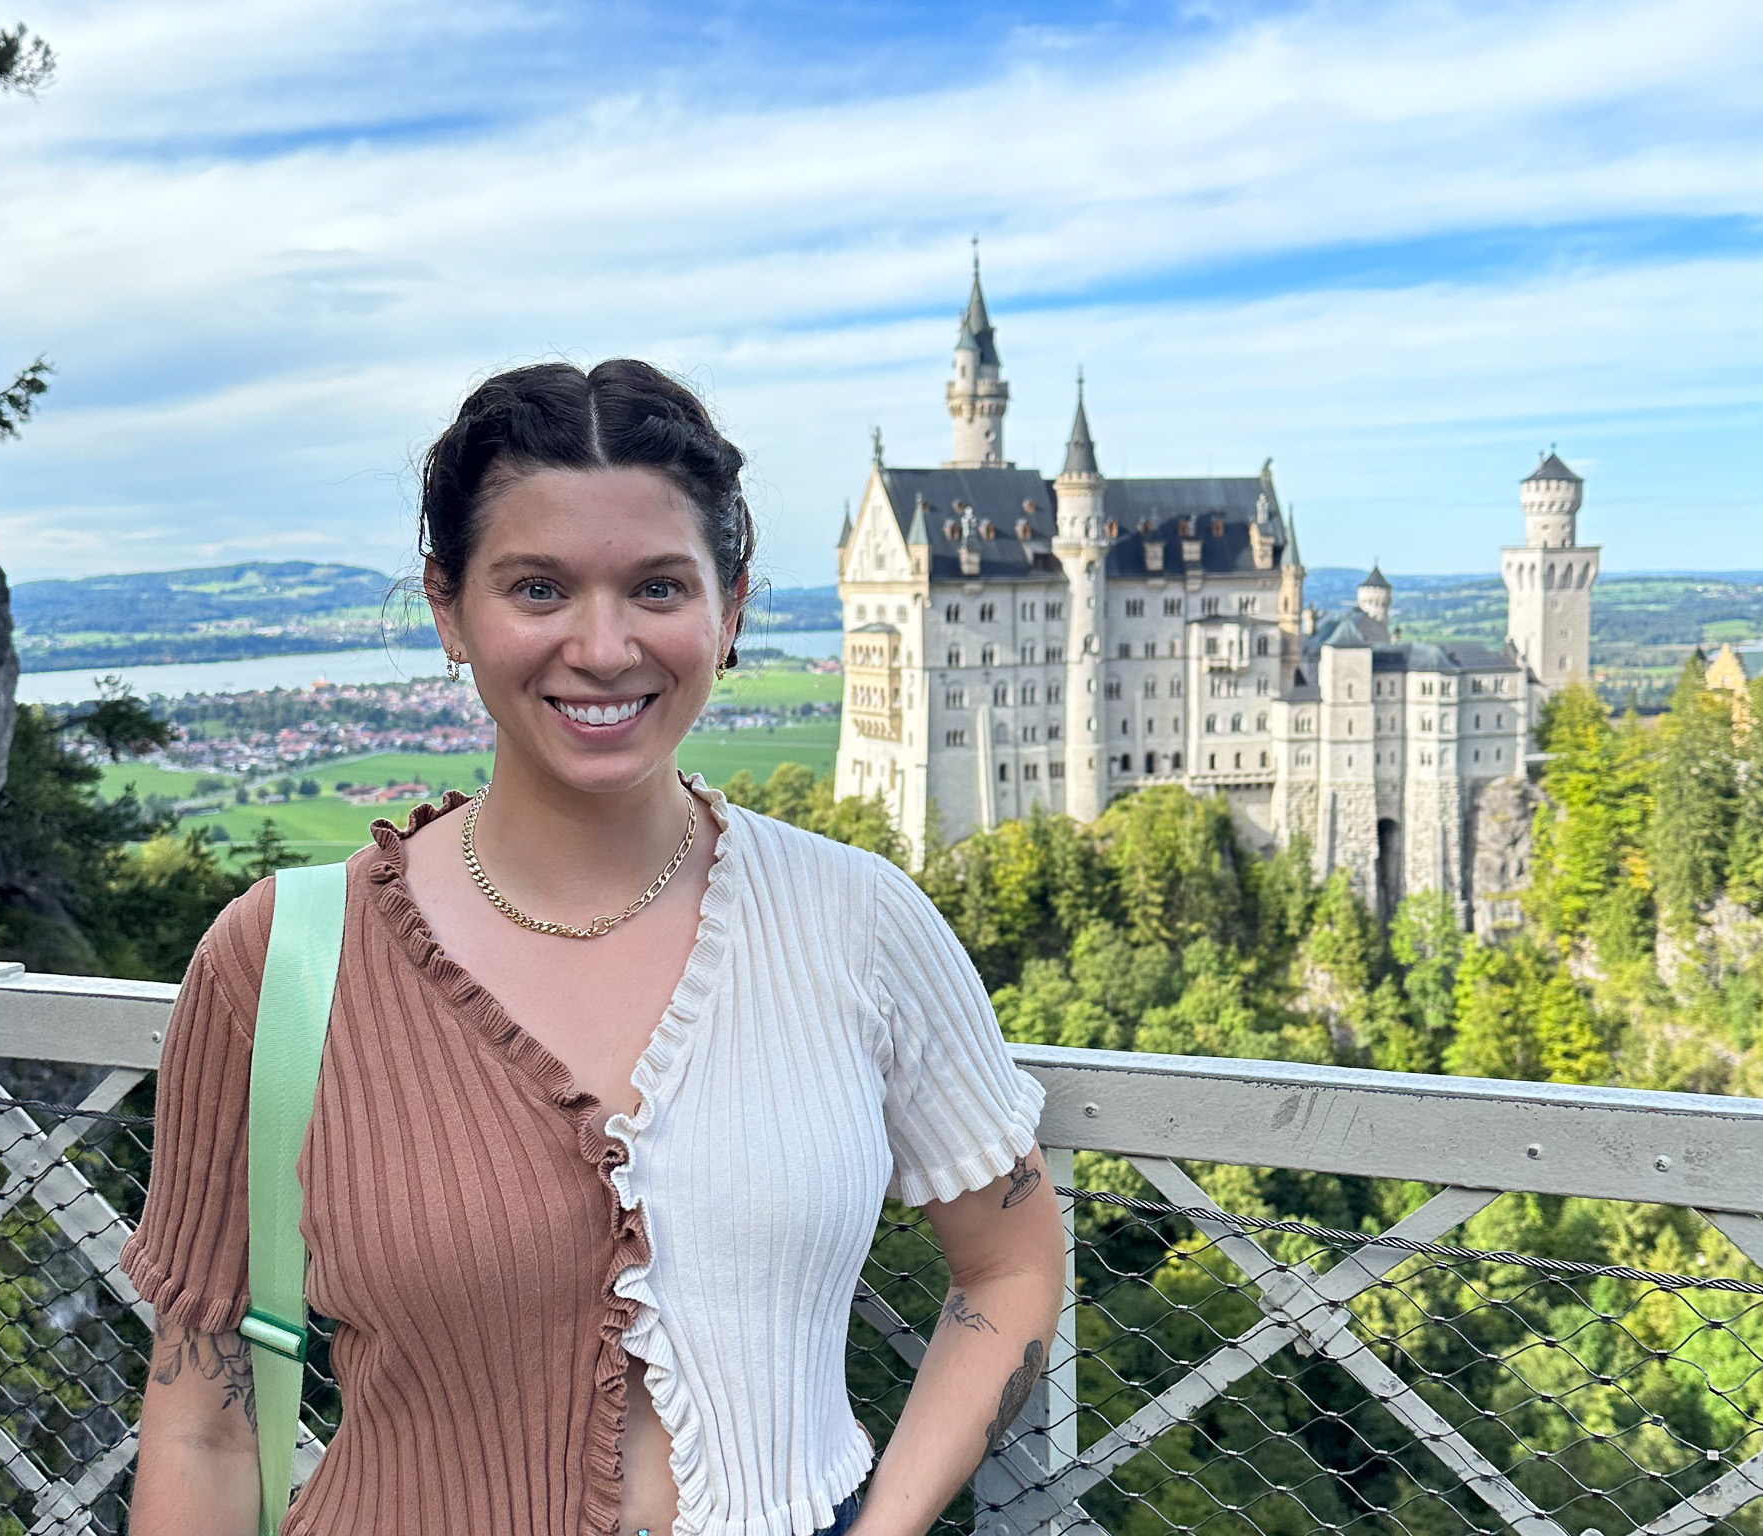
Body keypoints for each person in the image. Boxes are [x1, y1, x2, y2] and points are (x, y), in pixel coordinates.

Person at [123, 359, 1064, 1536]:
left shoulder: (857, 919)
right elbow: (205, 1423)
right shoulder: (283, 958)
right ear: (447, 608)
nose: (603, 645)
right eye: (537, 588)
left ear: (730, 611)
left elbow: (1011, 1264)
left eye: (658, 587)